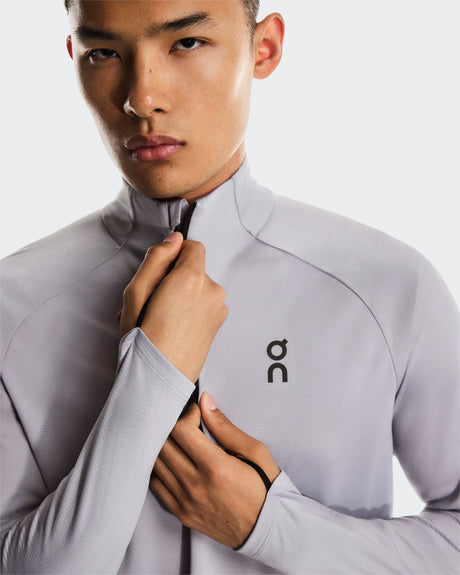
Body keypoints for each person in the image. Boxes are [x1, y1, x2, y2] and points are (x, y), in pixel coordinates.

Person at [0, 1, 458, 573]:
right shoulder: (10, 306)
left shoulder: (389, 289)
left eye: (186, 43)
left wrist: (267, 527)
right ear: (73, 57)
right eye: (104, 53)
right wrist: (152, 375)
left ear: (264, 47)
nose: (142, 98)